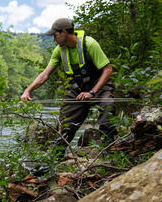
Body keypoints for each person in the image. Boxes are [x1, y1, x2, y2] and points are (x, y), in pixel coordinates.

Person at [21, 18, 117, 147]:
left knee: (108, 109)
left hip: (99, 87)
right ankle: (56, 159)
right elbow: (45, 75)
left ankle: (107, 151)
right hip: (76, 91)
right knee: (65, 126)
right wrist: (28, 90)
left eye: (55, 36)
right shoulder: (59, 51)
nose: (54, 40)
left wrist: (92, 92)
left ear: (64, 32)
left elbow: (108, 70)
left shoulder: (90, 44)